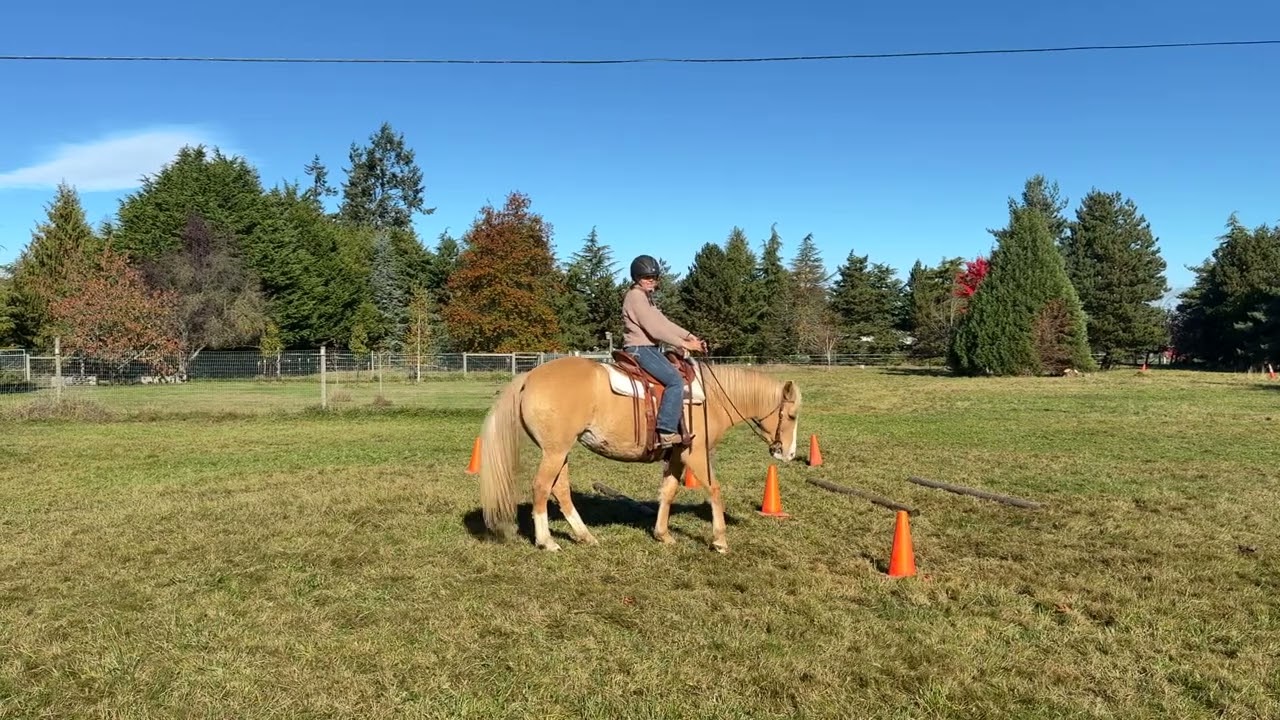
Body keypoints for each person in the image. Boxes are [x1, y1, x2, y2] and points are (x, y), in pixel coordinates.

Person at [621, 254, 707, 447]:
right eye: (646, 277)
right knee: (675, 381)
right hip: (639, 349)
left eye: (653, 277)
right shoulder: (636, 297)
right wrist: (685, 344)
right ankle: (667, 431)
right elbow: (655, 329)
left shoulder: (646, 297)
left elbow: (663, 323)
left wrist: (688, 335)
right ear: (637, 278)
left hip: (648, 348)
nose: (651, 281)